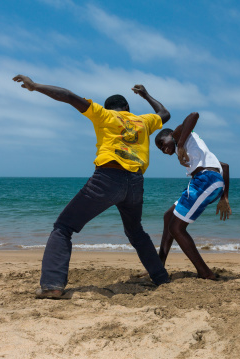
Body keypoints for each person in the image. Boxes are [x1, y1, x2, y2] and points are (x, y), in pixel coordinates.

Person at [12, 74, 171, 298]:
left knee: (63, 227)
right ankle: (161, 278)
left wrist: (35, 86)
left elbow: (68, 96)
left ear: (110, 108)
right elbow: (165, 114)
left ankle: (52, 286)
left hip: (108, 178)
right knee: (136, 232)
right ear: (127, 107)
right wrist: (145, 95)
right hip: (135, 182)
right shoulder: (142, 121)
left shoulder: (103, 115)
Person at [154, 112, 231, 280]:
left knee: (176, 228)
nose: (163, 149)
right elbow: (224, 167)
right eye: (160, 149)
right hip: (205, 181)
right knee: (169, 217)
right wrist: (224, 198)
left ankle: (205, 273)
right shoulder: (198, 150)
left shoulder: (178, 135)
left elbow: (194, 115)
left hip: (206, 180)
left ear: (169, 135)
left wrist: (180, 143)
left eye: (162, 143)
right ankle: (159, 266)